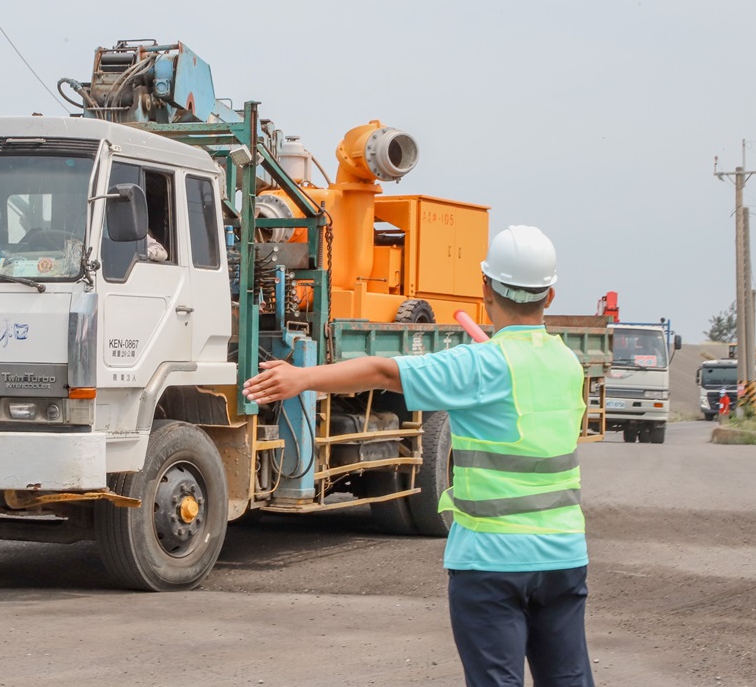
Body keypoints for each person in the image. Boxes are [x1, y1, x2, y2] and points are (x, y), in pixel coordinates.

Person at [244, 225, 594, 687]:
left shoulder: (478, 365)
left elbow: (382, 372)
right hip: (563, 557)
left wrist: (302, 378)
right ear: (549, 295)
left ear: (485, 289)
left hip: (492, 561)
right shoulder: (568, 364)